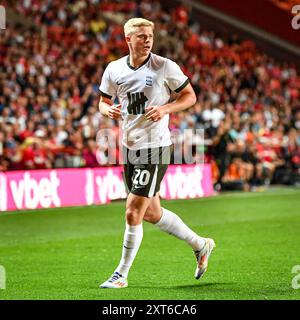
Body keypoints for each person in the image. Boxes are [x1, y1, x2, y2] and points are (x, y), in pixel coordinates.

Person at [98, 17, 215, 289]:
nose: (148, 40)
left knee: (132, 211)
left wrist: (165, 109)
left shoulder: (164, 66)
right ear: (128, 39)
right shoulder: (114, 69)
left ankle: (121, 275)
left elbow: (189, 96)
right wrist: (108, 110)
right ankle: (201, 245)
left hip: (155, 147)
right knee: (151, 213)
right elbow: (103, 101)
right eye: (141, 36)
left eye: (150, 35)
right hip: (130, 147)